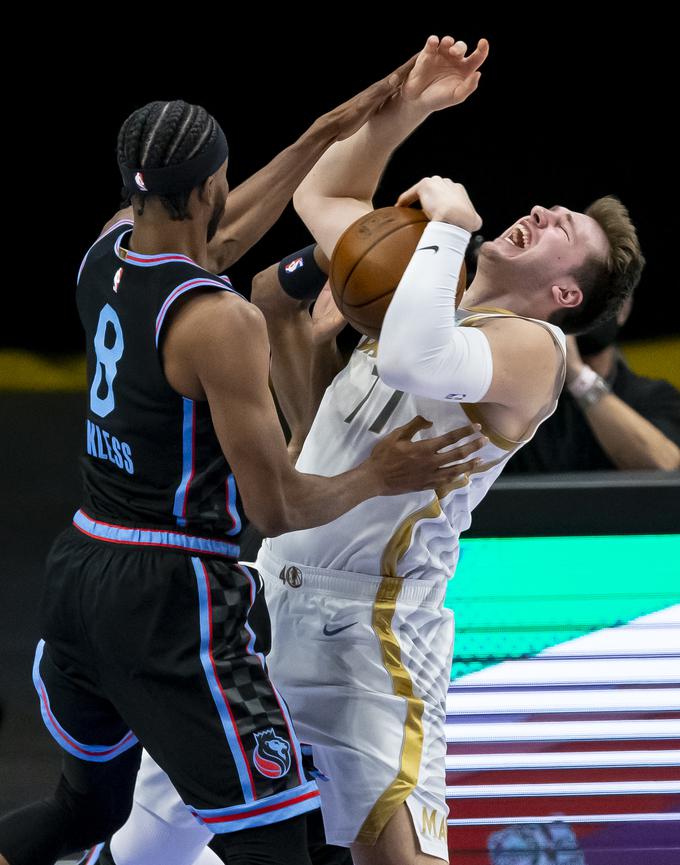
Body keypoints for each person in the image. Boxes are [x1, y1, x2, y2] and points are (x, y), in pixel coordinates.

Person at [58, 32, 644, 865]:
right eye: (551, 206)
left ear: (564, 293)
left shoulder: (533, 352)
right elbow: (326, 193)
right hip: (258, 605)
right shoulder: (418, 281)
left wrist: (447, 225)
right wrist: (410, 105)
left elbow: (417, 355)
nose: (543, 212)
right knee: (145, 844)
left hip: (371, 631)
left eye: (564, 232)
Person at [0, 61, 486, 865]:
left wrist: (330, 129)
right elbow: (278, 506)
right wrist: (382, 473)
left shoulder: (107, 248)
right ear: (206, 188)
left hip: (82, 565)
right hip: (170, 595)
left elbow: (214, 239)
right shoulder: (223, 324)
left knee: (84, 808)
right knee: (275, 845)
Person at [504, 297, 680, 472]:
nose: (579, 315)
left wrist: (578, 376)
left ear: (623, 310)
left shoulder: (654, 396)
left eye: (591, 300)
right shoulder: (516, 402)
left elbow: (666, 466)